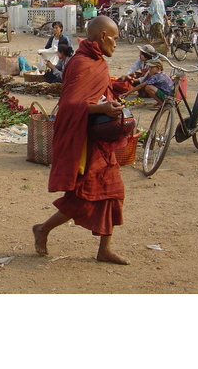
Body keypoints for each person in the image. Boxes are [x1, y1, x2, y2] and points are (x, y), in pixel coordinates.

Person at [32, 15, 129, 265]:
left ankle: (104, 249)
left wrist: (123, 88)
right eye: (115, 39)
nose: (116, 45)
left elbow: (101, 90)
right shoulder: (81, 63)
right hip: (84, 142)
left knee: (113, 192)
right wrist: (103, 110)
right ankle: (42, 229)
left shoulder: (98, 62)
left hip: (100, 142)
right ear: (103, 36)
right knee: (82, 197)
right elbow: (70, 105)